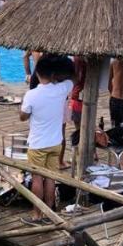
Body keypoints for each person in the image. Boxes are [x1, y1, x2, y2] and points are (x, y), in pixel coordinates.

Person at [19, 54, 73, 222]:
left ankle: (36, 214)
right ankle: (49, 213)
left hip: (37, 143)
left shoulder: (32, 95)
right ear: (53, 75)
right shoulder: (62, 89)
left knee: (37, 178)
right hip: (55, 142)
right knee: (50, 177)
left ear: (37, 74)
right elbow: (73, 78)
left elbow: (23, 116)